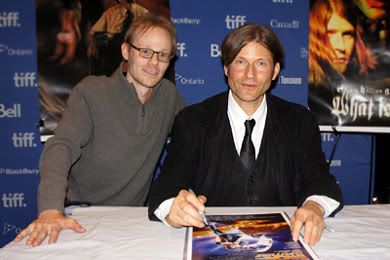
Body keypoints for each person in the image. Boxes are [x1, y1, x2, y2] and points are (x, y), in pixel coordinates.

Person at [148, 23, 343, 246]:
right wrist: (173, 208)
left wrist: (314, 206)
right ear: (226, 68)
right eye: (240, 62)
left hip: (284, 244)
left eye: (261, 63)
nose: (250, 74)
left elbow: (321, 180)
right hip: (214, 245)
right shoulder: (192, 121)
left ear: (275, 71)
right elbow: (167, 185)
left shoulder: (299, 121)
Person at [15, 14, 185, 246]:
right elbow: (62, 145)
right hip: (82, 216)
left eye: (163, 55)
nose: (154, 63)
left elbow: (197, 130)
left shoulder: (168, 96)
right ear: (126, 51)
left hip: (132, 220)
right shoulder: (92, 92)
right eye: (145, 51)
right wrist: (50, 209)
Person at [308, 0, 377, 125]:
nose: (341, 47)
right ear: (315, 36)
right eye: (331, 34)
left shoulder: (367, 83)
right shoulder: (310, 89)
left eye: (347, 35)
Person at [87, 0, 148, 76]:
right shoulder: (111, 12)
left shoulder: (143, 13)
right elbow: (94, 31)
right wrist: (92, 46)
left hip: (132, 45)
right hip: (112, 45)